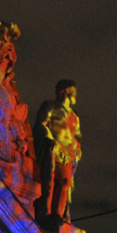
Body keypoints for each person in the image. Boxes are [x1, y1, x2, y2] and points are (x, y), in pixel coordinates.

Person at [34, 79, 82, 221]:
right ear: (65, 91)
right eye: (73, 90)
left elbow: (77, 136)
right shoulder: (50, 106)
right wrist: (50, 140)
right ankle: (48, 212)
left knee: (66, 183)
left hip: (69, 155)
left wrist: (77, 151)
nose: (76, 94)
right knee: (55, 179)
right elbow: (41, 124)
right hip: (54, 149)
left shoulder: (75, 116)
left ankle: (58, 214)